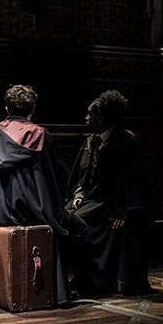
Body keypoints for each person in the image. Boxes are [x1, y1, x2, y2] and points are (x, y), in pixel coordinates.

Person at [0, 84, 71, 305]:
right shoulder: (40, 134)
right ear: (32, 109)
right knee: (67, 226)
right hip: (30, 211)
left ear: (6, 107)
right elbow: (51, 180)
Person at [64, 90, 152, 297]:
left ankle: (92, 279)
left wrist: (122, 211)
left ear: (101, 118)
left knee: (76, 220)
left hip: (109, 203)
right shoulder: (91, 142)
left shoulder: (125, 142)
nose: (86, 118)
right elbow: (81, 176)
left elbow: (132, 181)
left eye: (90, 114)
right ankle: (79, 277)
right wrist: (77, 194)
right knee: (62, 214)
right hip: (91, 199)